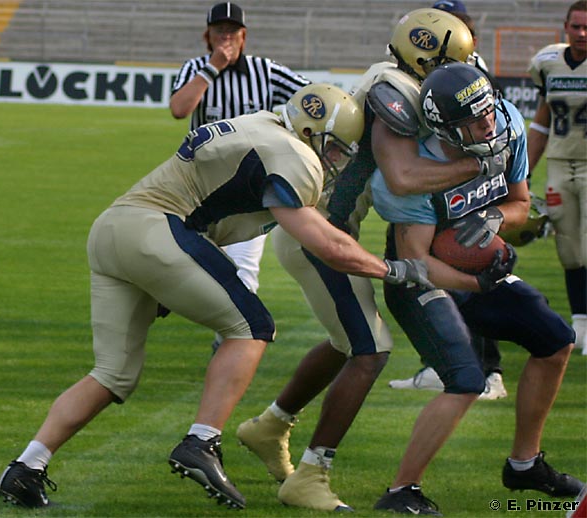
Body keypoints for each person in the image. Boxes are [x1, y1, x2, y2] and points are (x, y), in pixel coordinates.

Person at [0, 83, 434, 511]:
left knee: (112, 374)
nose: (335, 160)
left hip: (114, 230)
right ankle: (201, 441)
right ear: (309, 131)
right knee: (252, 326)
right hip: (156, 228)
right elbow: (326, 244)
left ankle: (26, 466)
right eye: (334, 149)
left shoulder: (260, 124)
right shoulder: (294, 154)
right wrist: (391, 269)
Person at [236, 8, 512, 512]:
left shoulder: (401, 78)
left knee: (348, 340)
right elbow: (403, 177)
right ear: (426, 57)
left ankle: (271, 425)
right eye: (453, 60)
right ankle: (310, 474)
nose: (461, 70)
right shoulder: (394, 89)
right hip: (320, 232)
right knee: (371, 350)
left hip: (330, 229)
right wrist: (476, 165)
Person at [370, 62, 583, 514]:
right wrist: (475, 281)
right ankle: (401, 490)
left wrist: (495, 218)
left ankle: (525, 464)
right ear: (446, 128)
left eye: (488, 110)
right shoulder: (416, 174)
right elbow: (416, 260)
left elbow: (519, 202)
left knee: (556, 340)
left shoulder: (507, 124)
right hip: (420, 277)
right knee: (466, 380)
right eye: (474, 118)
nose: (488, 123)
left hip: (473, 267)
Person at [389, 1, 508, 400]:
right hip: (428, 190)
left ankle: (490, 371)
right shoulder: (421, 75)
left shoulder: (472, 75)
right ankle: (438, 365)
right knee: (424, 279)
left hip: (464, 184)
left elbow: (493, 127)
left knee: (468, 262)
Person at [169, 2, 311, 327]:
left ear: (244, 36)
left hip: (249, 190)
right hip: (198, 189)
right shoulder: (194, 68)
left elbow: (311, 96)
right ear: (207, 36)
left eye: (232, 32)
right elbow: (179, 108)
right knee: (182, 268)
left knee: (244, 276)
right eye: (219, 31)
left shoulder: (265, 71)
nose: (226, 38)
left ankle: (233, 339)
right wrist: (212, 68)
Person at [527, 0, 587, 355]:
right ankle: (580, 321)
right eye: (576, 26)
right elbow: (542, 121)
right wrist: (525, 171)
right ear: (565, 27)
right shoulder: (548, 63)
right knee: (569, 247)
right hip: (560, 162)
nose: (582, 33)